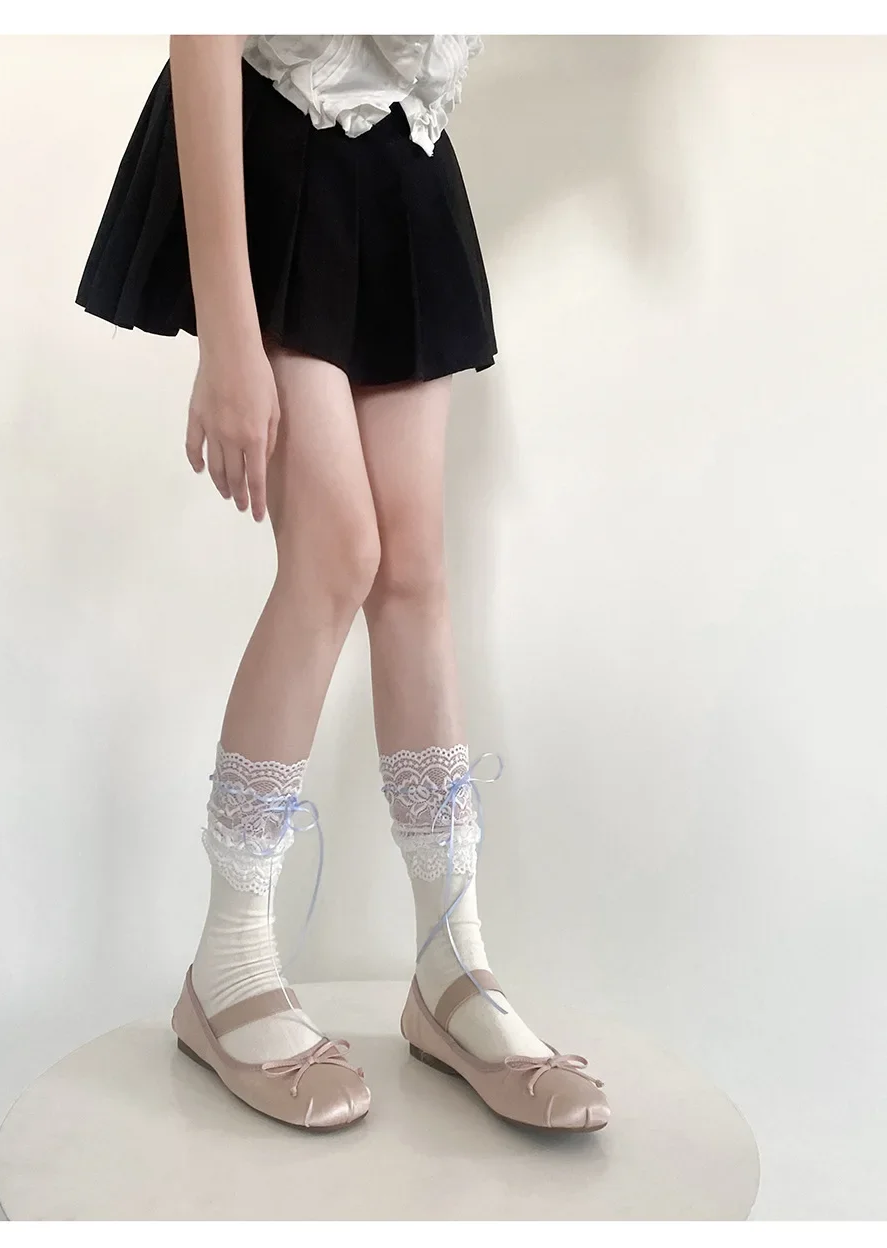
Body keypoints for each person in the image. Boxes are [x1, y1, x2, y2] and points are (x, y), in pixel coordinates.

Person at [76, 34, 608, 1133]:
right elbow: (204, 35)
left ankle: (450, 966)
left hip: (403, 158)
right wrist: (229, 339)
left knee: (412, 569)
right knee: (334, 555)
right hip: (273, 146)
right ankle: (226, 966)